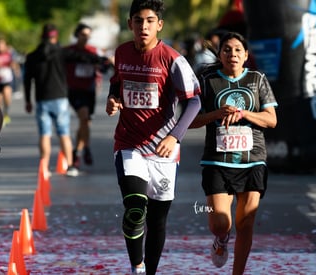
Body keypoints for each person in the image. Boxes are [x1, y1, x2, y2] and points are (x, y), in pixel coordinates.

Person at [105, 0, 201, 274]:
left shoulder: (173, 59)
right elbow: (117, 81)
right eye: (138, 20)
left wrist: (175, 137)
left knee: (157, 220)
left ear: (159, 24)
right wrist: (113, 99)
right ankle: (137, 267)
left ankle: (150, 272)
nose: (143, 26)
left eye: (149, 21)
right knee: (135, 208)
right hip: (129, 144)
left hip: (164, 150)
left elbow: (193, 102)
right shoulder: (122, 52)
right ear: (130, 24)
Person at [189, 32, 278, 274]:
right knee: (221, 223)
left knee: (245, 222)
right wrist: (217, 114)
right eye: (227, 50)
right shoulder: (207, 81)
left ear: (246, 55)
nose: (233, 54)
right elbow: (190, 121)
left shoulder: (257, 79)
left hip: (252, 161)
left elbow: (272, 120)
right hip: (217, 161)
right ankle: (221, 238)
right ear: (219, 54)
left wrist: (244, 114)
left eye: (238, 50)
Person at [24, 23, 103, 177]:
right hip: (60, 98)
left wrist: (28, 100)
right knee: (64, 134)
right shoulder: (61, 53)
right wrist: (102, 59)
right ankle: (71, 166)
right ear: (56, 36)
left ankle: (45, 168)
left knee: (44, 135)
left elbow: (27, 81)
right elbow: (82, 56)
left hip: (42, 99)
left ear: (42, 36)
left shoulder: (32, 56)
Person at [66, 22, 107, 169]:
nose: (85, 38)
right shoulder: (69, 51)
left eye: (88, 35)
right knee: (84, 117)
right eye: (83, 35)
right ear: (77, 35)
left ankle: (77, 151)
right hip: (75, 90)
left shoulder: (94, 51)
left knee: (85, 123)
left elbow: (104, 66)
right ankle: (87, 149)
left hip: (89, 91)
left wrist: (103, 63)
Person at [0, 38, 15, 126]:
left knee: (7, 94)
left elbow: (14, 64)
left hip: (7, 80)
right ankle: (1, 117)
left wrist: (13, 66)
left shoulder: (9, 54)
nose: (0, 47)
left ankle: (6, 112)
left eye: (2, 45)